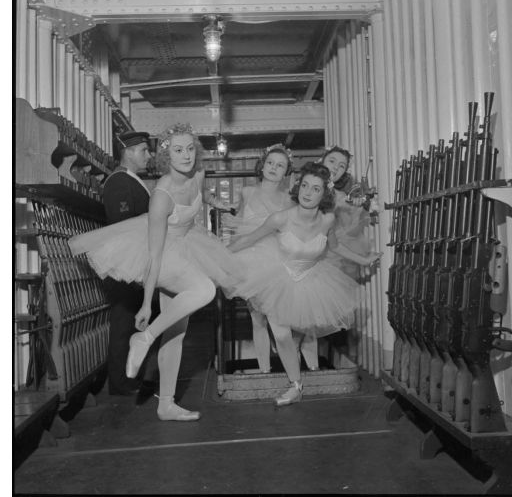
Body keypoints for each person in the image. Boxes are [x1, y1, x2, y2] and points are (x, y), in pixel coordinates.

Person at [70, 124, 241, 421]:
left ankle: (166, 404)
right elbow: (154, 254)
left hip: (189, 247)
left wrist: (220, 203)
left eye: (190, 148)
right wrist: (147, 304)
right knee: (204, 290)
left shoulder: (198, 175)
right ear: (166, 157)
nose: (186, 155)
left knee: (176, 334)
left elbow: (203, 196)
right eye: (178, 150)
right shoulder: (162, 193)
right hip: (163, 253)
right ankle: (144, 337)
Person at [227, 162, 382, 406]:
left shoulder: (328, 220)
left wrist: (365, 259)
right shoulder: (280, 218)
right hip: (278, 276)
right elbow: (249, 238)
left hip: (310, 278)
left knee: (295, 335)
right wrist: (217, 257)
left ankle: (295, 376)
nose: (308, 193)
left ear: (325, 194)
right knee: (281, 334)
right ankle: (296, 384)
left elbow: (335, 247)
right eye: (305, 186)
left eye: (316, 189)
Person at [102, 130, 160, 396]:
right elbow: (123, 227)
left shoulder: (133, 180)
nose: (148, 155)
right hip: (127, 265)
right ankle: (121, 384)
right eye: (144, 150)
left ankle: (132, 377)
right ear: (129, 151)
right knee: (124, 324)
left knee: (137, 322)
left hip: (137, 263)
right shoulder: (119, 182)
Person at [320, 146, 380, 280]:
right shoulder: (304, 185)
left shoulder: (340, 195)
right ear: (322, 161)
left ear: (344, 172)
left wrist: (363, 203)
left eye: (341, 166)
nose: (335, 167)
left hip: (320, 262)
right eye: (332, 161)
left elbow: (334, 245)